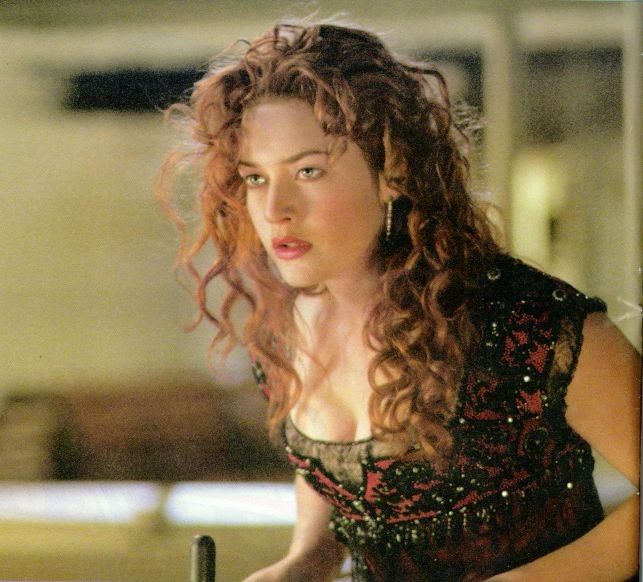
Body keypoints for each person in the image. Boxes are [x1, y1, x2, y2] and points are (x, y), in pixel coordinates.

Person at [156, 21, 640, 582]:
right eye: (256, 178)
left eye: (308, 170)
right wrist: (303, 562)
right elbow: (339, 483)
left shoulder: (530, 328)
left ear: (392, 169)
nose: (275, 209)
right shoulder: (286, 328)